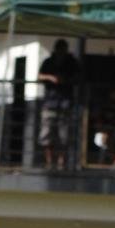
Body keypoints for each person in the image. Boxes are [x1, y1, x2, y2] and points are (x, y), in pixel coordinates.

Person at [38, 39, 81, 170]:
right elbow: (39, 76)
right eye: (59, 49)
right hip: (49, 102)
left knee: (64, 135)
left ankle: (62, 161)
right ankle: (49, 161)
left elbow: (78, 77)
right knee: (47, 133)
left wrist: (65, 79)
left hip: (65, 103)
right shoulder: (48, 62)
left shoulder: (72, 62)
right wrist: (51, 77)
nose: (61, 52)